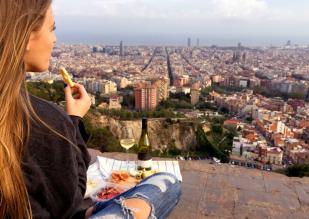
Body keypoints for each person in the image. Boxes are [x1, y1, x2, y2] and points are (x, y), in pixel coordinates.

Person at [0, 0, 181, 219]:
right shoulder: (44, 121)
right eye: (52, 28)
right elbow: (71, 200)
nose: (55, 39)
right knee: (168, 183)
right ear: (27, 36)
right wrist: (73, 120)